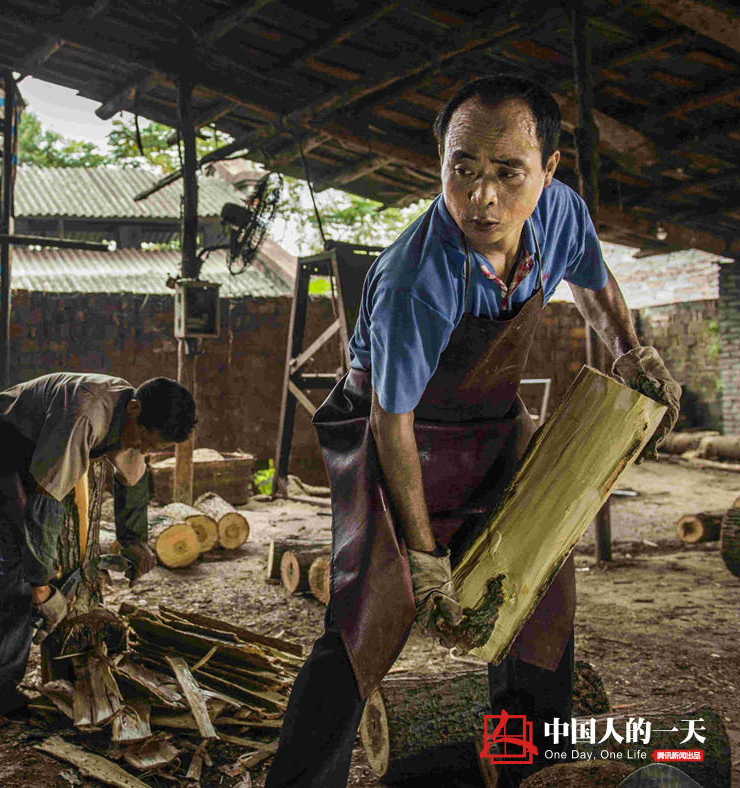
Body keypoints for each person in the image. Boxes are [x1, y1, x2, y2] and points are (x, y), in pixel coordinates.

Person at [265, 75, 680, 787]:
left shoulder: (562, 214)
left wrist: (630, 352)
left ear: (548, 170)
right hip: (391, 439)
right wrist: (425, 559)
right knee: (369, 624)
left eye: (507, 172)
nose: (481, 196)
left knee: (538, 602)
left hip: (491, 425)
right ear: (441, 163)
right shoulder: (414, 278)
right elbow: (392, 421)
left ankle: (526, 772)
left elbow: (592, 280)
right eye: (462, 168)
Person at [0, 372, 197, 715]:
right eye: (147, 440)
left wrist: (134, 541)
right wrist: (40, 587)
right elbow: (47, 499)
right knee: (18, 563)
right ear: (134, 409)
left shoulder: (133, 419)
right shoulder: (86, 415)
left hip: (28, 447)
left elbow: (132, 479)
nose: (146, 449)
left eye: (155, 447)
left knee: (39, 553)